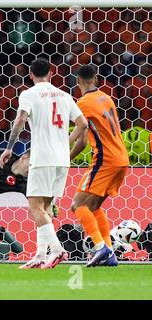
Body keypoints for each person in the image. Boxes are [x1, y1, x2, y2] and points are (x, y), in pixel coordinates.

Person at [1, 58, 88, 269]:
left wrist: (10, 147)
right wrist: (64, 143)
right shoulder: (65, 95)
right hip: (61, 160)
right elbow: (83, 124)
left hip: (42, 158)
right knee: (46, 208)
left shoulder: (29, 94)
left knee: (35, 208)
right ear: (51, 73)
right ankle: (40, 255)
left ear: (30, 75)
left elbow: (21, 119)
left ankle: (57, 250)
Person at [71, 65, 130, 267]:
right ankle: (109, 253)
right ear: (96, 79)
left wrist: (65, 156)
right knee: (93, 206)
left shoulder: (83, 103)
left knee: (78, 205)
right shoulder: (106, 97)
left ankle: (100, 248)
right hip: (121, 157)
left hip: (105, 159)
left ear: (77, 81)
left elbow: (81, 139)